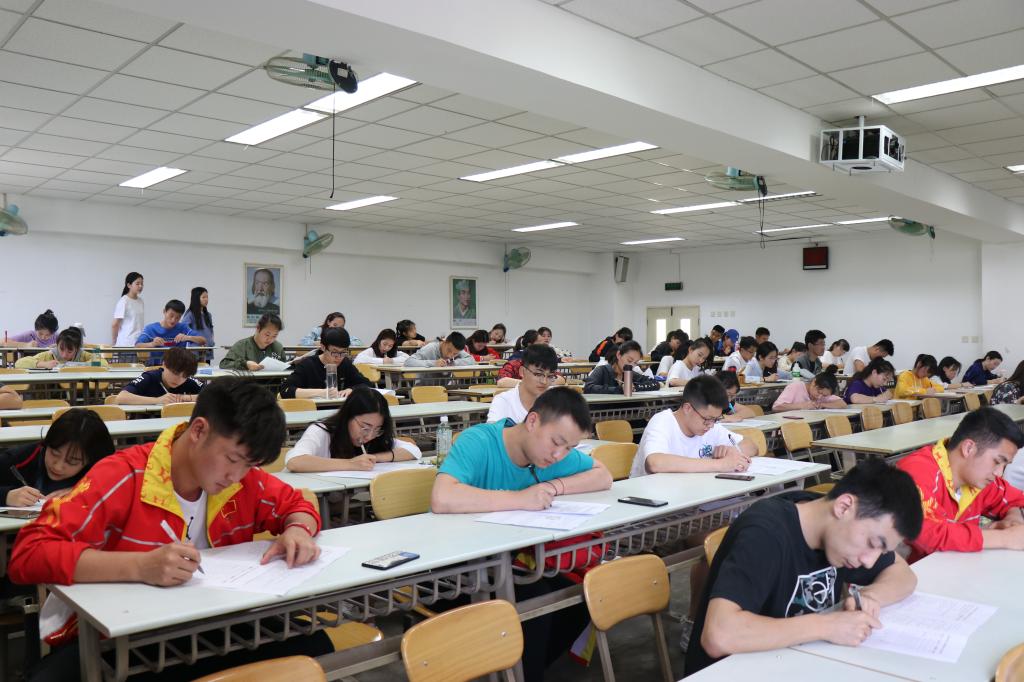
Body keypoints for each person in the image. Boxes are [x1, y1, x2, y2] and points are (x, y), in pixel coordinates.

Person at [9, 378, 331, 678]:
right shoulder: (122, 475)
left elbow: (297, 504)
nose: (237, 476)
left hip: (204, 622)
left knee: (314, 648)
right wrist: (140, 566)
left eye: (250, 465)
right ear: (198, 430)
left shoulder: (243, 481)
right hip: (118, 634)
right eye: (233, 459)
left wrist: (297, 530)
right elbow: (29, 553)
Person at [431, 388, 612, 680]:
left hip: (511, 563)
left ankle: (522, 672)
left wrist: (553, 487)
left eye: (569, 448)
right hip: (455, 572)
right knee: (535, 602)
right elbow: (442, 498)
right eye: (557, 442)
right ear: (532, 421)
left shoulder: (552, 456)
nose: (559, 455)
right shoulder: (479, 442)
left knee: (580, 596)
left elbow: (603, 474)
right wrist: (520, 499)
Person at [686, 460, 922, 675]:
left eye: (881, 551)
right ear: (843, 507)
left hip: (793, 666)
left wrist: (870, 597)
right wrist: (826, 626)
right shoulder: (765, 533)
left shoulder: (839, 534)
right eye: (873, 543)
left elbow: (904, 575)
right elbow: (719, 635)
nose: (870, 561)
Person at [896, 407, 1024, 562]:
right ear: (969, 448)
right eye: (997, 461)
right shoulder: (916, 471)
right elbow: (927, 534)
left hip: (953, 568)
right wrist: (1004, 538)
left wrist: (1013, 518)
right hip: (911, 571)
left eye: (1005, 465)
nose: (999, 473)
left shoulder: (977, 479)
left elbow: (1014, 499)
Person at [632, 375, 756, 477]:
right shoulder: (662, 421)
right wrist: (721, 464)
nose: (711, 425)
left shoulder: (710, 425)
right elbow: (655, 463)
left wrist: (732, 450)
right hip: (652, 496)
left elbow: (751, 446)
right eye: (707, 419)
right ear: (688, 408)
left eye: (715, 419)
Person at [285, 386, 421, 473]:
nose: (369, 436)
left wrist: (375, 458)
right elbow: (294, 461)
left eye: (377, 429)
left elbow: (413, 450)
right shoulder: (321, 431)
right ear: (348, 416)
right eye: (365, 427)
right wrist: (351, 463)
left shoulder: (376, 437)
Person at [0, 408, 115, 507]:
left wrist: (83, 491)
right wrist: (6, 496)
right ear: (46, 444)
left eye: (72, 461)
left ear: (90, 460)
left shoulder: (103, 465)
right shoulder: (18, 459)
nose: (58, 467)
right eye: (54, 453)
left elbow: (118, 487)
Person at [280, 328, 369, 399]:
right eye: (334, 352)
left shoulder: (345, 363)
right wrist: (322, 392)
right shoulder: (308, 364)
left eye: (343, 352)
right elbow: (285, 390)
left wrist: (351, 389)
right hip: (313, 411)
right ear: (323, 347)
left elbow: (366, 383)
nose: (339, 357)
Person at [488, 344, 560, 423]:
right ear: (522, 371)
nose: (544, 381)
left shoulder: (557, 400)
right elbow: (493, 430)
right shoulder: (503, 401)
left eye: (550, 376)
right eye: (538, 374)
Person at [114, 347, 204, 405]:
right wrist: (158, 400)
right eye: (175, 373)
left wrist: (184, 398)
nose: (179, 379)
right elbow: (121, 397)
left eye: (184, 376)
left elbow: (211, 396)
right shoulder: (150, 377)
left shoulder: (188, 379)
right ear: (164, 364)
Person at [135, 300, 206, 365]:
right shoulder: (151, 328)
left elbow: (203, 340)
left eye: (178, 317)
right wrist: (152, 344)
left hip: (178, 368)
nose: (173, 320)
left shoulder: (183, 328)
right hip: (156, 368)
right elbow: (137, 346)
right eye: (171, 315)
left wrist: (187, 337)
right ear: (164, 312)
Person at [584, 341, 659, 394]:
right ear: (619, 355)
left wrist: (634, 387)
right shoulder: (602, 370)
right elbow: (588, 388)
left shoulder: (630, 374)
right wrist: (618, 389)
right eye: (629, 360)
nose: (632, 365)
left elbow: (655, 383)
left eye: (635, 363)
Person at [219, 313, 286, 371]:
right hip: (249, 381)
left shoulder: (278, 347)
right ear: (258, 328)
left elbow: (284, 366)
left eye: (274, 336)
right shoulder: (242, 345)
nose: (270, 339)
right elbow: (224, 363)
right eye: (267, 335)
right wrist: (245, 364)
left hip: (273, 382)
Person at [14, 328, 108, 369]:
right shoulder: (50, 355)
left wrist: (83, 365)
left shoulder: (83, 354)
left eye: (70, 351)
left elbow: (104, 363)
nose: (64, 355)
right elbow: (19, 363)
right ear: (57, 345)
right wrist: (43, 364)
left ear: (77, 349)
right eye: (61, 349)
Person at [772, 367, 845, 411]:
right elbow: (776, 407)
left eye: (824, 395)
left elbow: (842, 404)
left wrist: (821, 404)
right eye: (819, 392)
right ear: (814, 382)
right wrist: (801, 406)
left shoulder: (825, 393)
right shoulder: (796, 387)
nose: (820, 397)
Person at [404, 332, 475, 367]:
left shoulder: (457, 349)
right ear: (444, 342)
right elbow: (408, 362)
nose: (450, 355)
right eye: (449, 350)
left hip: (445, 388)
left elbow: (471, 360)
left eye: (455, 354)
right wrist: (433, 363)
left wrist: (454, 363)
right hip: (424, 387)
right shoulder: (430, 348)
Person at [111, 271, 144, 347]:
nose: (140, 286)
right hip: (126, 344)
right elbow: (115, 324)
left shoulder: (141, 301)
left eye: (142, 284)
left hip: (138, 343)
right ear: (129, 285)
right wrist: (114, 342)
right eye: (137, 283)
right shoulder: (124, 301)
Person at [181, 287, 214, 361]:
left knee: (206, 367)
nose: (206, 299)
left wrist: (211, 342)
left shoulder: (208, 315)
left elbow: (211, 331)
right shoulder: (190, 314)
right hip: (195, 352)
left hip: (207, 350)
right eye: (203, 297)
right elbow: (183, 330)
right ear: (196, 299)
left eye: (207, 297)